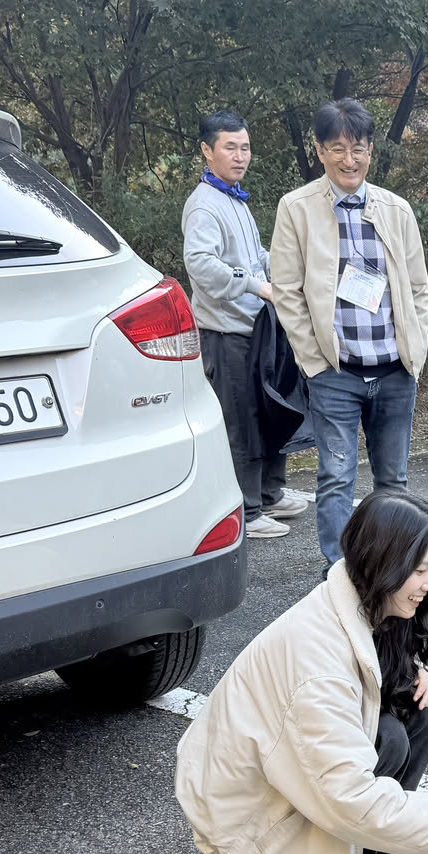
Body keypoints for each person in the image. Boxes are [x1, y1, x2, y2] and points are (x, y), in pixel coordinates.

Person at [175, 491, 428, 854]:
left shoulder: (359, 600)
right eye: (420, 570)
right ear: (382, 565)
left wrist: (417, 669)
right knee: (389, 739)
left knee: (419, 713)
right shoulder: (318, 667)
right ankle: (354, 844)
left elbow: (371, 667)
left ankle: (375, 840)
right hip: (254, 819)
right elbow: (350, 795)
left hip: (279, 776)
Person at [268, 98, 428, 566]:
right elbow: (287, 291)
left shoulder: (396, 209)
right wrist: (314, 362)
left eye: (357, 148)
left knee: (393, 482)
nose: (349, 159)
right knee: (336, 479)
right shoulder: (296, 208)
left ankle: (391, 569)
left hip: (395, 371)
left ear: (370, 150)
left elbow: (418, 289)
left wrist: (415, 349)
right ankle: (340, 574)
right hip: (336, 373)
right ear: (320, 150)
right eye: (337, 148)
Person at [182, 109, 307, 540]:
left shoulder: (235, 198)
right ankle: (247, 511)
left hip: (256, 331)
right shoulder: (204, 205)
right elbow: (201, 266)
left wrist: (285, 269)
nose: (240, 156)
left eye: (245, 147)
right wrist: (256, 285)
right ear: (207, 150)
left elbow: (254, 258)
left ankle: (270, 494)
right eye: (230, 147)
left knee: (271, 412)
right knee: (241, 423)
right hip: (225, 334)